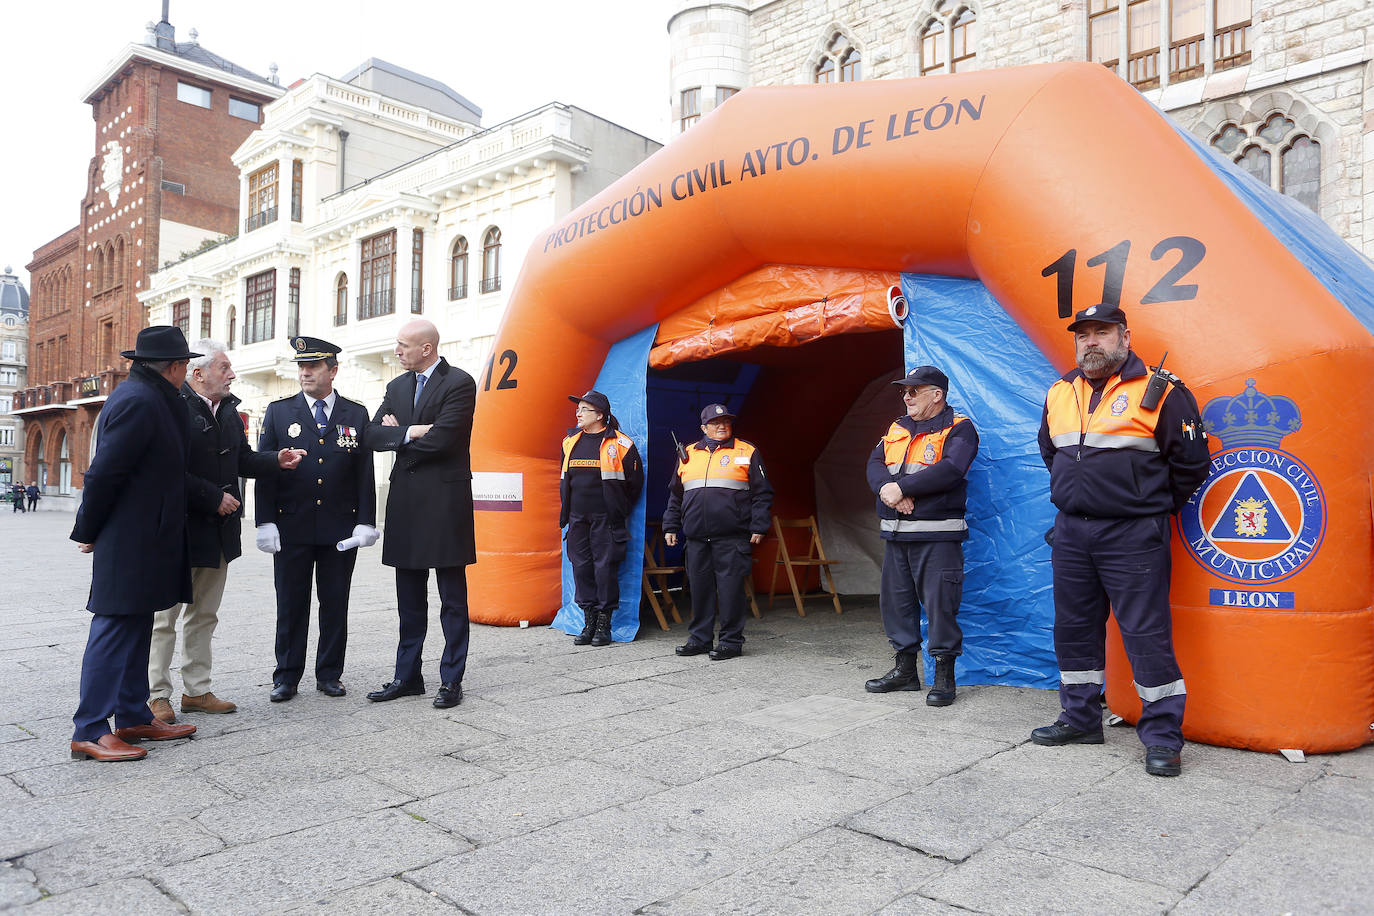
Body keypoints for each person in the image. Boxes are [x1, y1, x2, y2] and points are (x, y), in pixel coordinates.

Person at [1032, 303, 1209, 777]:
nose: (1091, 341)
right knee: (1072, 630)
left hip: (1133, 534)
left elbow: (1191, 466)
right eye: (1083, 334)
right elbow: (1052, 452)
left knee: (1145, 634)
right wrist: (1080, 496)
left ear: (1125, 338)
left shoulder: (1162, 392)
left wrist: (1143, 505)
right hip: (1071, 531)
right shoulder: (1059, 392)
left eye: (1102, 332)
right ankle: (1081, 718)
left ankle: (1163, 739)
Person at [148, 340, 304, 722]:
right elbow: (163, 470)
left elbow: (243, 459)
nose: (232, 374)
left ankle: (197, 691)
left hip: (218, 532)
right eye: (224, 368)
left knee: (204, 614)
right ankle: (156, 695)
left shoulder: (231, 411)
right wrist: (210, 497)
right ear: (197, 374)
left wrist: (275, 460)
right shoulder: (170, 407)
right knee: (163, 617)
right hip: (177, 531)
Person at [69, 326, 199, 762]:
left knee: (137, 624)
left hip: (148, 535)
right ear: (176, 367)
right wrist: (89, 529)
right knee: (113, 628)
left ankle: (131, 715)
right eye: (187, 365)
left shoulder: (153, 398)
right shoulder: (139, 401)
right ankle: (89, 729)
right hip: (129, 537)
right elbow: (104, 473)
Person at [256, 336, 377, 702]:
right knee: (291, 603)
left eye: (314, 366)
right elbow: (266, 469)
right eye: (301, 367)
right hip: (292, 525)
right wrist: (265, 520)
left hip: (339, 527)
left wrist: (365, 520)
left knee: (335, 601)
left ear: (333, 371)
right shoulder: (279, 412)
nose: (305, 372)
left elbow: (363, 472)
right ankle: (286, 676)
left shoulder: (355, 414)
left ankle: (329, 673)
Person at [365, 319, 476, 708]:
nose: (397, 351)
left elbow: (445, 440)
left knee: (452, 599)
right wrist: (413, 432)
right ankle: (407, 676)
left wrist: (401, 434)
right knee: (408, 598)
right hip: (408, 502)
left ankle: (451, 680)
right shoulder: (396, 386)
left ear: (426, 348)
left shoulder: (459, 382)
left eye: (403, 345)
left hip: (444, 505)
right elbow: (371, 435)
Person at [864, 366, 979, 706]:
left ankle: (944, 678)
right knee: (896, 605)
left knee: (940, 606)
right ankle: (905, 672)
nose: (906, 396)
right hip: (897, 534)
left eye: (914, 390)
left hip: (937, 536)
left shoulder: (960, 428)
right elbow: (874, 463)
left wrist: (901, 488)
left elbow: (952, 469)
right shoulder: (897, 428)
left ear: (936, 395)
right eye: (905, 391)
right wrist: (888, 488)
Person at [664, 404, 773, 661]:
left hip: (732, 536)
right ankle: (700, 640)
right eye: (715, 422)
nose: (722, 426)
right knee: (700, 590)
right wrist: (670, 525)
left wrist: (759, 525)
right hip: (696, 537)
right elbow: (676, 494)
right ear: (703, 428)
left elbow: (762, 493)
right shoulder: (687, 453)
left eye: (725, 421)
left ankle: (731, 642)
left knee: (730, 590)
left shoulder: (747, 451)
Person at [559, 390, 644, 646]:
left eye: (584, 409)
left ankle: (604, 625)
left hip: (606, 519)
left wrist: (617, 510)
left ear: (600, 415)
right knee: (581, 568)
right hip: (577, 518)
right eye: (578, 409)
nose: (578, 413)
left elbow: (635, 483)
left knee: (604, 570)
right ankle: (589, 622)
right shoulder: (569, 442)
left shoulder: (622, 444)